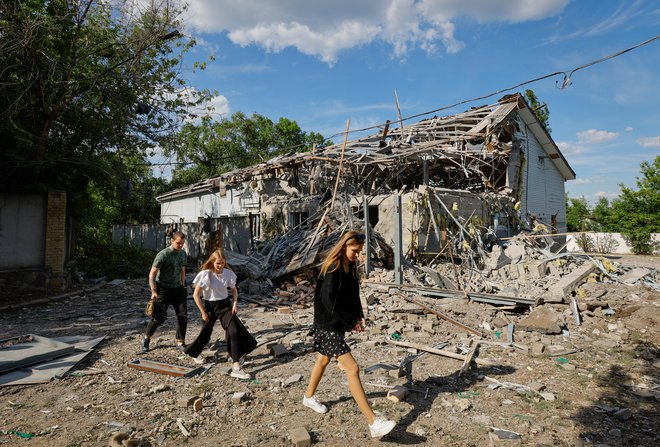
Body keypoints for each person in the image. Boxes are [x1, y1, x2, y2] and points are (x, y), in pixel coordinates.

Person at [302, 231, 396, 439]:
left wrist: (358, 317)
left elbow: (353, 295)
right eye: (355, 250)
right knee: (352, 368)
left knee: (323, 359)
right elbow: (328, 302)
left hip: (336, 323)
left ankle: (308, 397)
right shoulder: (332, 269)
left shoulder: (350, 267)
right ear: (345, 246)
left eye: (360, 251)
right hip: (327, 324)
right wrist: (348, 321)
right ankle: (373, 422)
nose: (358, 254)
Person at [183, 250, 256, 380]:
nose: (220, 266)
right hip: (210, 307)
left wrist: (234, 304)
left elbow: (234, 290)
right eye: (218, 263)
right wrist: (203, 312)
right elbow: (195, 295)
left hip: (225, 306)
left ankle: (236, 365)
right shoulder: (205, 275)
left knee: (234, 331)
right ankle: (193, 353)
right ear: (212, 262)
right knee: (205, 334)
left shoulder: (228, 274)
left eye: (222, 263)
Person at [140, 231, 188, 353]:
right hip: (163, 289)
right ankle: (146, 338)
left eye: (182, 243)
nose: (180, 245)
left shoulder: (182, 254)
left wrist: (183, 285)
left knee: (182, 315)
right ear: (172, 241)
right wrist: (154, 291)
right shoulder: (163, 254)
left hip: (178, 288)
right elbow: (151, 275)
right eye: (178, 243)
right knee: (158, 317)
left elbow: (183, 270)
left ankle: (180, 342)